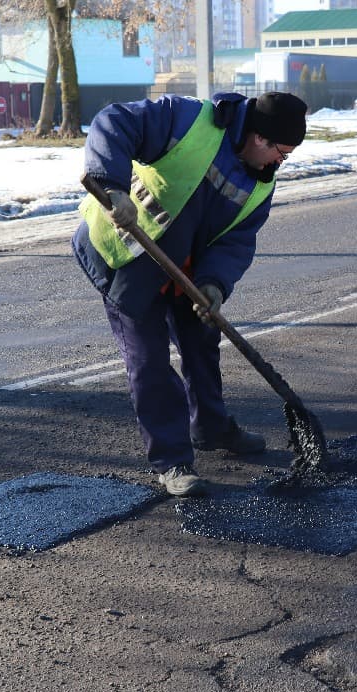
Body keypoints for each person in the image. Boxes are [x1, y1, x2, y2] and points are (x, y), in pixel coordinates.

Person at [73, 91, 308, 497]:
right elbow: (113, 122)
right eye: (280, 154)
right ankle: (172, 460)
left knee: (202, 343)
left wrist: (214, 284)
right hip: (125, 257)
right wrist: (113, 189)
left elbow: (237, 241)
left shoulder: (259, 187)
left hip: (185, 270)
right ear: (259, 138)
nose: (278, 164)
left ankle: (212, 428)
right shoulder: (187, 120)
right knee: (149, 361)